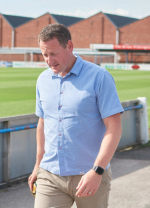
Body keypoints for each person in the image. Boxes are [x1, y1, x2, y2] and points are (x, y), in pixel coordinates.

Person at [28, 24, 123, 208]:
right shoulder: (43, 80)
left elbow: (115, 128)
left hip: (90, 174)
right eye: (44, 55)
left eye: (53, 53)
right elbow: (43, 123)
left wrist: (97, 171)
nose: (49, 60)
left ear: (69, 46)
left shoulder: (100, 77)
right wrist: (37, 167)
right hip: (50, 174)